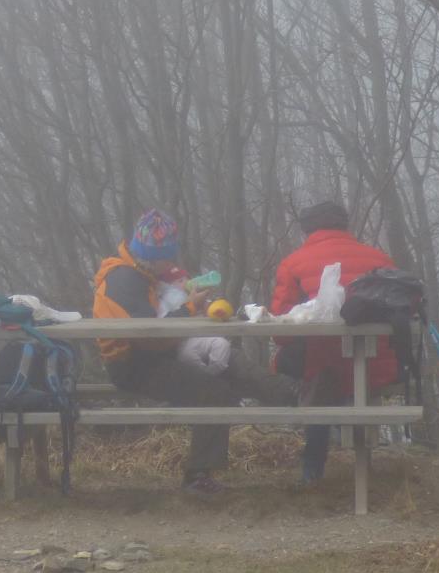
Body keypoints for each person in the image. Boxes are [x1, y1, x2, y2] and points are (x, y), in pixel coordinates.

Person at [94, 209, 295, 492]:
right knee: (212, 391)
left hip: (159, 354)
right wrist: (189, 308)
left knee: (230, 363)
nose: (171, 264)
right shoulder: (124, 281)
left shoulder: (141, 274)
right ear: (154, 255)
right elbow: (150, 334)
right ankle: (198, 476)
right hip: (135, 365)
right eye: (168, 257)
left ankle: (293, 395)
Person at [270, 201, 400, 484]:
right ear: (344, 225)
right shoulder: (381, 259)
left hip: (327, 369)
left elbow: (281, 330)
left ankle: (312, 469)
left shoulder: (293, 263)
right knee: (339, 368)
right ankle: (361, 461)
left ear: (308, 230)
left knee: (315, 372)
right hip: (378, 365)